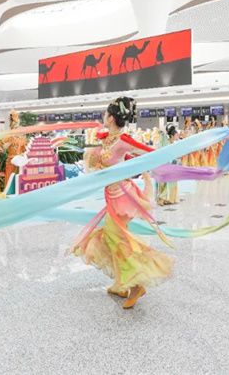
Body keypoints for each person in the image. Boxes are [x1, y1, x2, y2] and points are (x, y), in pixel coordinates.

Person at [71, 97, 171, 308]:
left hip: (122, 197)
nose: (103, 117)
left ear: (111, 117)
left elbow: (149, 153)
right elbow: (113, 161)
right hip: (112, 195)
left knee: (117, 239)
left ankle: (137, 284)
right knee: (113, 239)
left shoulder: (123, 140)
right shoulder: (108, 139)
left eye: (106, 114)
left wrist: (164, 157)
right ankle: (122, 283)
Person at [1, 110, 28, 190]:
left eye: (17, 127)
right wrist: (11, 140)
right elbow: (4, 148)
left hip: (20, 161)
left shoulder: (23, 138)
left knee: (19, 177)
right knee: (10, 178)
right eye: (15, 127)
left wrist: (23, 154)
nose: (17, 129)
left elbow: (25, 150)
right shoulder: (8, 136)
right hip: (11, 161)